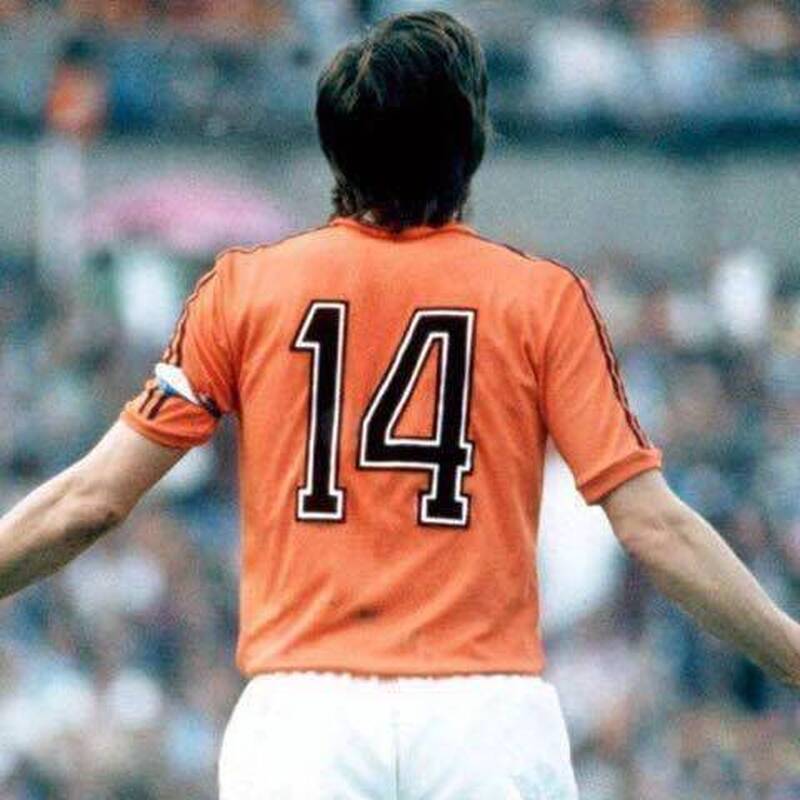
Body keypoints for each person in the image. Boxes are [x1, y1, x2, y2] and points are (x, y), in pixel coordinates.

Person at [1, 10, 797, 800]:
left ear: (335, 148)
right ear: (471, 143)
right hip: (484, 715)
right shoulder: (541, 300)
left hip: (304, 719)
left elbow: (89, 502)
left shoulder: (244, 290)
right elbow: (655, 528)